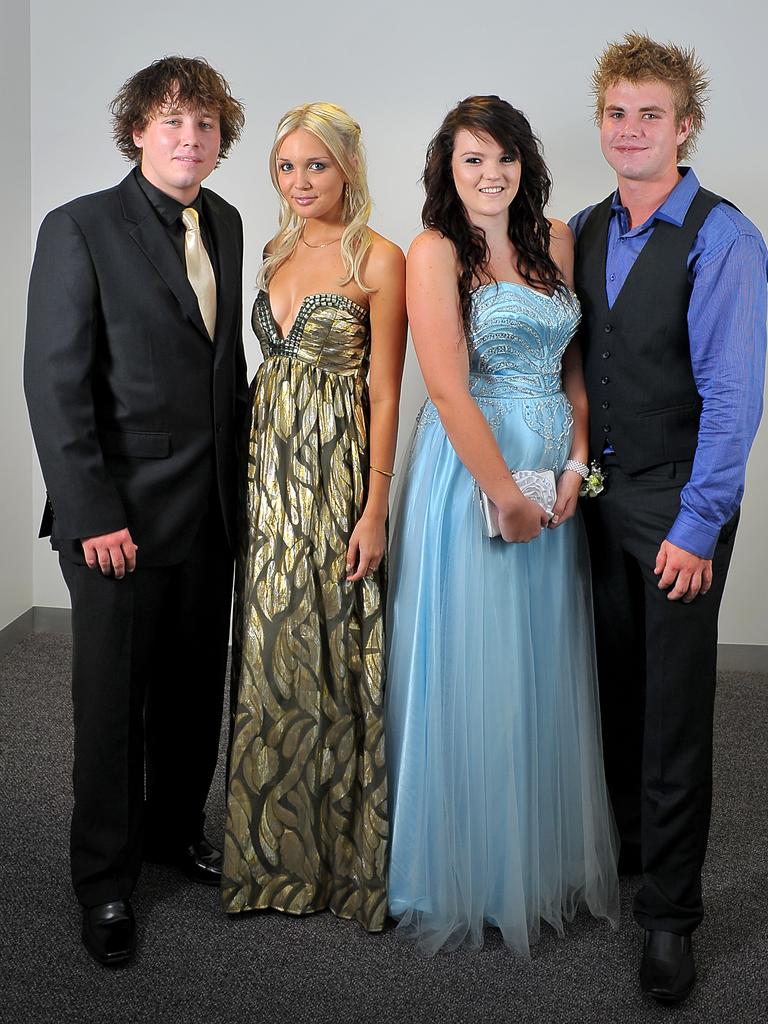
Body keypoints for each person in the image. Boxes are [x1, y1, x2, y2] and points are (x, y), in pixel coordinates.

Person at [23, 56, 247, 966]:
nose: (188, 139)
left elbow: (219, 369)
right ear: (136, 132)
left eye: (203, 125)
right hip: (116, 519)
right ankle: (105, 882)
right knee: (111, 706)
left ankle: (171, 833)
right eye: (170, 123)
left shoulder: (228, 223)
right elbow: (54, 383)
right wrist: (90, 512)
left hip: (212, 515)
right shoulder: (78, 227)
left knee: (195, 693)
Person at [385, 95, 619, 957]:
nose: (491, 175)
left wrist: (571, 467)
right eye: (472, 159)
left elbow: (575, 373)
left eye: (504, 158)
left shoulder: (554, 238)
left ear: (526, 162)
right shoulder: (434, 250)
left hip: (553, 476)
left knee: (538, 664)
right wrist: (507, 495)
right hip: (473, 473)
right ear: (448, 169)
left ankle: (535, 858)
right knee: (475, 665)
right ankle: (465, 869)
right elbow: (445, 384)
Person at [570, 32, 767, 1003]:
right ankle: (630, 852)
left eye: (651, 114)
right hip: (595, 501)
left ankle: (671, 917)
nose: (631, 129)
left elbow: (734, 399)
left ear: (685, 128)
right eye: (617, 112)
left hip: (678, 502)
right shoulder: (585, 228)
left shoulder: (725, 237)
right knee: (610, 685)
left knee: (675, 710)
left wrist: (700, 521)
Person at [221, 103, 406, 932]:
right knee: (272, 644)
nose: (300, 184)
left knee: (340, 647)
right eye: (287, 167)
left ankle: (346, 865)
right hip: (268, 473)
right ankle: (271, 858)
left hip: (337, 477)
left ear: (349, 170)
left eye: (316, 167)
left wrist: (376, 507)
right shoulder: (270, 252)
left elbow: (386, 391)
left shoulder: (380, 258)